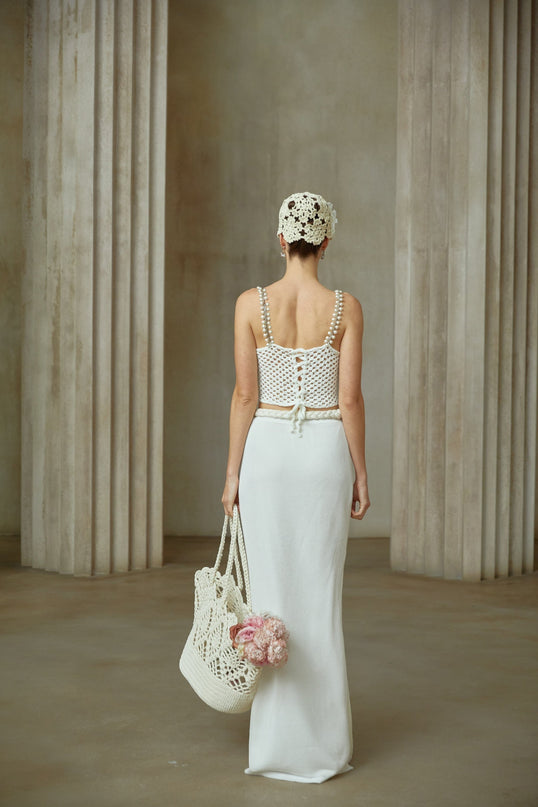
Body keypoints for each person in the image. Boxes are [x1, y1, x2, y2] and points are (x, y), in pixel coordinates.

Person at [221, 191, 370, 783]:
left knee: (272, 594)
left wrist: (232, 474)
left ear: (281, 239)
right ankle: (324, 750)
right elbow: (350, 399)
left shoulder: (250, 304)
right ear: (326, 242)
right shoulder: (346, 307)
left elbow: (245, 396)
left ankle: (275, 748)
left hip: (268, 454)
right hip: (324, 455)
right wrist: (361, 471)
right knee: (320, 596)